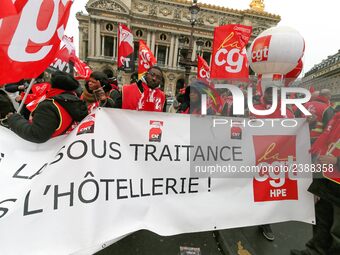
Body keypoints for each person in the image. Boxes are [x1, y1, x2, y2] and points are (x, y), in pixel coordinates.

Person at [291, 111, 340, 255]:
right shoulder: (337, 117)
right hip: (328, 181)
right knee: (322, 222)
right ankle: (314, 252)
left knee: (337, 232)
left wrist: (337, 161)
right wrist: (307, 124)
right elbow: (324, 141)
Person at [5, 71, 88, 143]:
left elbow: (36, 135)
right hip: (62, 147)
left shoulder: (49, 106)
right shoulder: (76, 101)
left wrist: (14, 119)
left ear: (53, 84)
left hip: (47, 152)